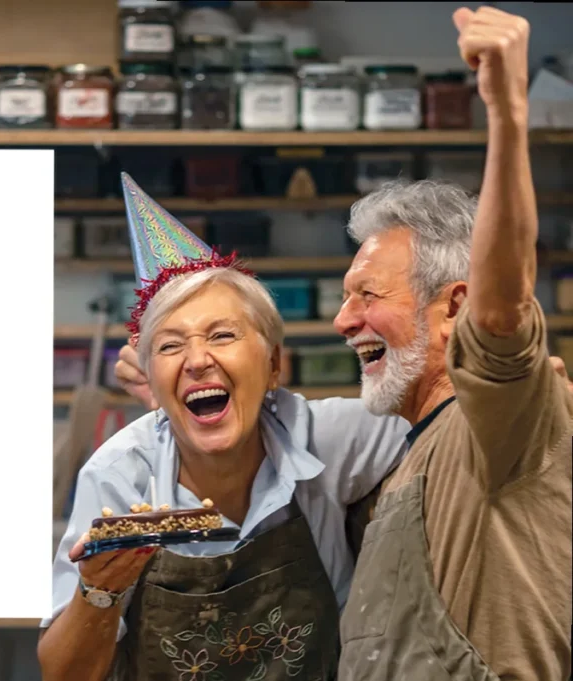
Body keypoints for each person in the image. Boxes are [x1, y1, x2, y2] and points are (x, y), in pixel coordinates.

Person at [112, 7, 572, 680]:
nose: (342, 320)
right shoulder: (401, 448)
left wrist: (507, 113)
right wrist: (184, 387)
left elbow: (503, 307)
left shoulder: (494, 424)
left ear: (456, 308)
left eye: (367, 295)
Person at [38, 172, 414, 681]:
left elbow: (451, 417)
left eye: (222, 335)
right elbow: (62, 674)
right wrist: (99, 592)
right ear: (151, 382)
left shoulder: (327, 438)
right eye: (170, 346)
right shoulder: (120, 475)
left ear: (274, 365)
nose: (197, 360)